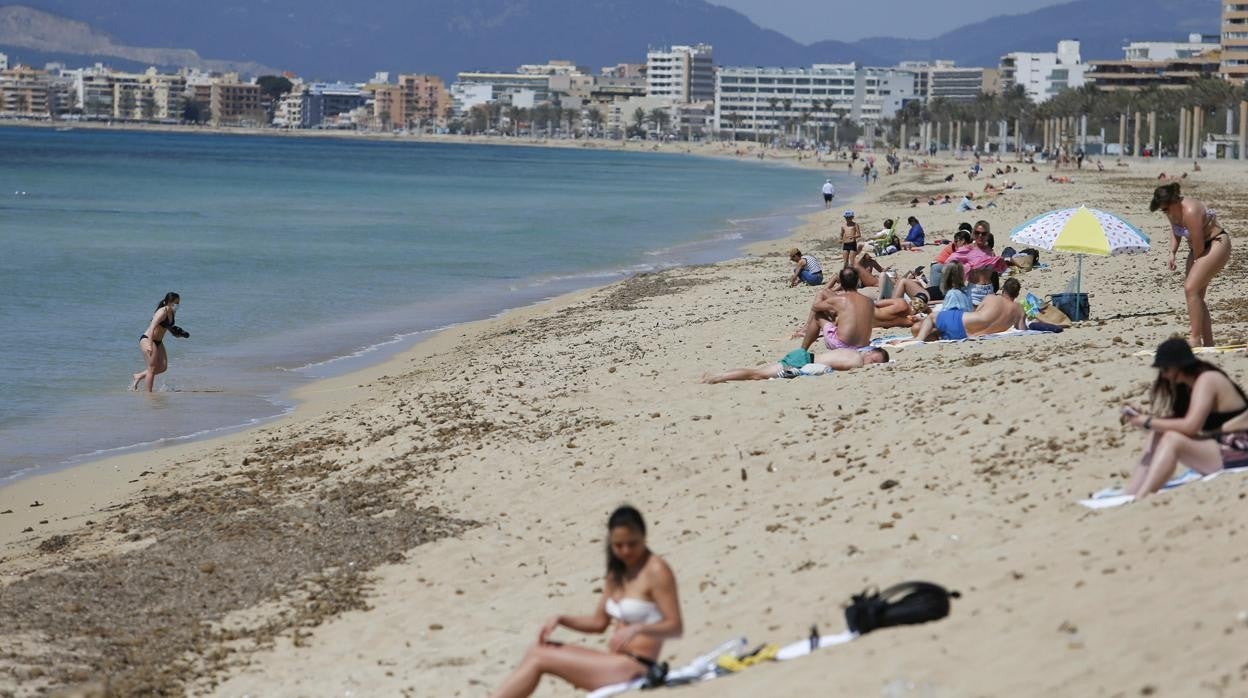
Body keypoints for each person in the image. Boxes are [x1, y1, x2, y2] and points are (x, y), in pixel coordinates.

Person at [491, 506, 683, 698]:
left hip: (637, 665)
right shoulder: (617, 572)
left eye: (632, 544)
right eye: (618, 545)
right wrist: (562, 619)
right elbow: (598, 623)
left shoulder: (656, 570)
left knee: (541, 657)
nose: (625, 551)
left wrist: (638, 628)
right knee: (537, 649)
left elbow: (675, 627)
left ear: (644, 536)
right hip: (614, 661)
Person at [1119, 338, 1248, 498]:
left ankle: (1143, 496)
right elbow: (1178, 422)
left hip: (1239, 449)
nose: (1164, 375)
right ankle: (1132, 492)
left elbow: (1190, 427)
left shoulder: (1207, 380)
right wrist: (1142, 419)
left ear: (1178, 366)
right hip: (1223, 444)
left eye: (1165, 369)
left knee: (1173, 439)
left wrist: (1146, 421)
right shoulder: (1191, 384)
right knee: (1159, 433)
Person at [1151, 182, 1231, 347]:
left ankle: (1194, 339)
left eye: (1165, 209)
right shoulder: (1172, 211)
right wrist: (1172, 252)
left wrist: (1195, 261)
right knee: (1196, 298)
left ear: (1174, 202)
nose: (1164, 212)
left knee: (1191, 288)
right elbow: (1176, 229)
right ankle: (1208, 343)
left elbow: (1199, 243)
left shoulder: (1191, 210)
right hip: (1196, 248)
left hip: (1216, 244)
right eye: (1162, 209)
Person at [914, 278, 1025, 341]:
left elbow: (975, 313)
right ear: (1017, 294)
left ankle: (918, 339)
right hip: (966, 335)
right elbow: (1022, 329)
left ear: (1003, 289)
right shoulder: (1019, 309)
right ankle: (927, 335)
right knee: (934, 334)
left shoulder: (991, 298)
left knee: (932, 317)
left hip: (961, 322)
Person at [702, 347, 890, 384]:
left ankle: (720, 375)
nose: (872, 363)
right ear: (871, 354)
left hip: (804, 355)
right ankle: (718, 377)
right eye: (875, 361)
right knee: (756, 374)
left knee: (758, 372)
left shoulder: (854, 351)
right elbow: (848, 367)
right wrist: (870, 367)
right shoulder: (857, 361)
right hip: (803, 361)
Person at [800, 267, 875, 351]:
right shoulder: (869, 301)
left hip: (842, 345)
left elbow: (815, 307)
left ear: (841, 283)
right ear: (857, 281)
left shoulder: (840, 300)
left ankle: (802, 350)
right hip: (863, 345)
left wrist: (830, 311)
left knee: (818, 316)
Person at [131, 292, 189, 392]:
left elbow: (168, 328)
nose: (177, 305)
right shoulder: (162, 312)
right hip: (148, 339)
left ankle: (139, 376)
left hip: (158, 341)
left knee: (163, 367)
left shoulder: (172, 313)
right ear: (169, 302)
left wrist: (179, 334)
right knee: (152, 368)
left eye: (178, 303)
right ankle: (148, 395)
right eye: (176, 303)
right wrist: (149, 345)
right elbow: (152, 327)